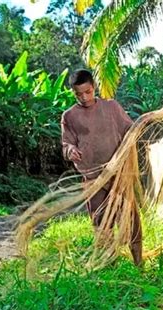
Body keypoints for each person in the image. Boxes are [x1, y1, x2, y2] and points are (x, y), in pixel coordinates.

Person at [61, 69, 142, 266]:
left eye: (87, 92)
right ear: (73, 92)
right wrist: (70, 150)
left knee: (131, 220)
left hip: (119, 176)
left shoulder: (111, 107)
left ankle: (139, 264)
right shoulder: (69, 116)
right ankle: (110, 265)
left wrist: (142, 125)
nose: (84, 97)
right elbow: (66, 144)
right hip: (92, 180)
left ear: (94, 87)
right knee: (101, 223)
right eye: (78, 94)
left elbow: (130, 130)